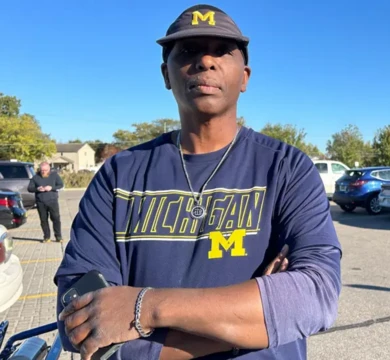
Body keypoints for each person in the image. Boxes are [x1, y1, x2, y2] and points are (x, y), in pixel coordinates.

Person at [55, 4, 342, 360]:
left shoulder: (286, 168)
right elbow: (80, 322)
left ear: (245, 77)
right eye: (189, 51)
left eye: (222, 50)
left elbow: (315, 299)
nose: (206, 61)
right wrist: (258, 319)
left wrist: (143, 307)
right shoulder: (119, 175)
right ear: (165, 73)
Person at [27, 161, 64, 242]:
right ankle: (46, 237)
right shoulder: (35, 177)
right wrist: (37, 189)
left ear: (49, 169)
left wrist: (51, 188)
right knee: (43, 220)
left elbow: (61, 185)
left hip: (52, 201)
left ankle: (58, 237)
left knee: (56, 219)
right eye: (42, 170)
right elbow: (29, 188)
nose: (44, 172)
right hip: (41, 202)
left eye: (46, 170)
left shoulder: (54, 175)